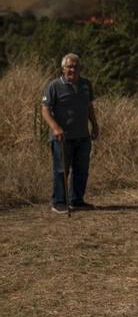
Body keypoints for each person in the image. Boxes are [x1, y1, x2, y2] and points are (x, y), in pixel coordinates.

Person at [41, 53, 99, 213]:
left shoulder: (86, 84)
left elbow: (89, 106)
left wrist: (94, 125)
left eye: (75, 66)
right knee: (61, 169)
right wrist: (55, 127)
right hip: (62, 137)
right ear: (63, 69)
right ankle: (59, 202)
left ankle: (76, 200)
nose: (72, 69)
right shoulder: (54, 86)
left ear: (80, 68)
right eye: (69, 66)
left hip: (82, 135)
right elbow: (45, 109)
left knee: (82, 169)